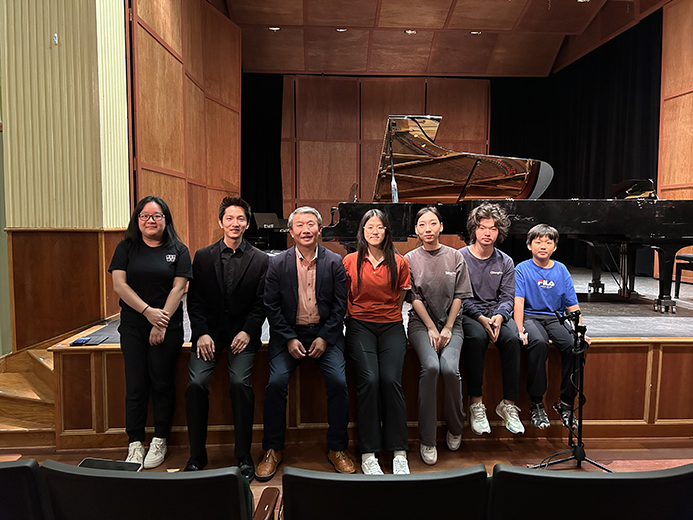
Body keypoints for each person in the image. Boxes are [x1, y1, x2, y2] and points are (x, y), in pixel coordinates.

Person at [256, 206, 354, 481]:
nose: (305, 230)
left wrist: (325, 337)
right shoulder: (277, 263)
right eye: (299, 225)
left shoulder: (334, 261)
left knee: (338, 382)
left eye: (311, 224)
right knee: (275, 384)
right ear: (291, 232)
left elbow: (339, 306)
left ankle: (338, 448)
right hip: (288, 335)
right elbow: (271, 306)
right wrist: (289, 338)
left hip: (326, 334)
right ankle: (272, 449)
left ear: (320, 230)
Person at [183, 197, 269, 479]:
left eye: (240, 219)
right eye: (229, 218)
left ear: (247, 223)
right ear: (221, 222)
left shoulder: (259, 259)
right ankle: (197, 455)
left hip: (242, 335)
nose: (235, 224)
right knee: (196, 382)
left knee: (239, 383)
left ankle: (243, 455)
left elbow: (261, 303)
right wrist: (202, 333)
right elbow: (194, 301)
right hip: (208, 334)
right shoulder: (203, 256)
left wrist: (248, 331)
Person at [109, 196, 192, 469]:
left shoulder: (178, 249)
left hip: (167, 325)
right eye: (145, 216)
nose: (150, 221)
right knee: (135, 384)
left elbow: (178, 288)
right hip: (134, 325)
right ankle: (134, 442)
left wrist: (161, 322)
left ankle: (159, 438)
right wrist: (148, 313)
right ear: (137, 220)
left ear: (165, 220)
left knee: (162, 382)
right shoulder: (126, 247)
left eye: (156, 216)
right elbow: (120, 285)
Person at [343, 209, 412, 475]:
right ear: (362, 231)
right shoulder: (349, 261)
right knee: (369, 381)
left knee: (391, 381)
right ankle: (369, 452)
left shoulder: (399, 261)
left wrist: (387, 314)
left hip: (391, 326)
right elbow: (345, 296)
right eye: (369, 227)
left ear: (386, 231)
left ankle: (398, 452)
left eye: (379, 227)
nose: (374, 231)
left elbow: (400, 298)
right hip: (359, 326)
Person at [405, 206, 473, 466]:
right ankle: (427, 439)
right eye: (422, 225)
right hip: (421, 324)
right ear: (416, 230)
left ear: (441, 227)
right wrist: (432, 328)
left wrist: (446, 328)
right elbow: (414, 298)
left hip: (452, 324)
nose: (428, 229)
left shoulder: (455, 256)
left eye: (432, 224)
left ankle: (456, 427)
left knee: (449, 369)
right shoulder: (410, 258)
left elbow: (459, 296)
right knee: (431, 367)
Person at [514, 223, 590, 431]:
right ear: (529, 245)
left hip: (555, 318)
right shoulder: (522, 269)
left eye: (548, 242)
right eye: (538, 242)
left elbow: (572, 304)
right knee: (538, 343)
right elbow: (518, 302)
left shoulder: (561, 270)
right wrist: (519, 329)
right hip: (530, 316)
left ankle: (565, 403)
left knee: (575, 346)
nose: (543, 246)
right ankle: (537, 402)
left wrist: (579, 330)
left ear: (555, 247)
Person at [460, 203, 524, 436]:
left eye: (493, 228)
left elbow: (508, 297)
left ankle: (508, 404)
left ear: (500, 232)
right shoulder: (461, 258)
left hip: (496, 313)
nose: (487, 232)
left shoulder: (505, 261)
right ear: (474, 230)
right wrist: (481, 318)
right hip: (470, 314)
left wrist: (499, 316)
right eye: (482, 227)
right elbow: (460, 298)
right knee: (476, 339)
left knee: (513, 339)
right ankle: (476, 401)